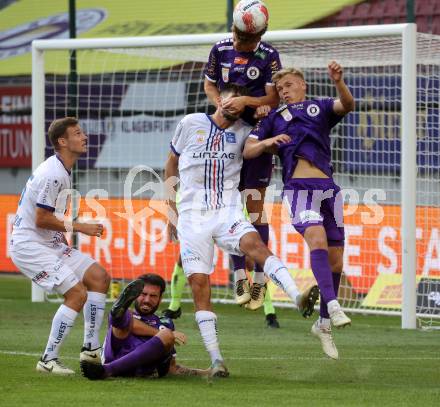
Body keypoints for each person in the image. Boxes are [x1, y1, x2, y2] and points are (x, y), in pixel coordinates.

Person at [165, 84, 319, 376]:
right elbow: (170, 163)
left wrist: (263, 113)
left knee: (257, 247)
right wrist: (170, 211)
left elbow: (272, 128)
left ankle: (297, 296)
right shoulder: (190, 123)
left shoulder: (246, 131)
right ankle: (216, 359)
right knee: (199, 284)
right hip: (191, 216)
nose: (232, 103)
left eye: (239, 99)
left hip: (228, 210)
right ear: (218, 99)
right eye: (229, 97)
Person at [166, 8, 282, 324]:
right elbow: (209, 85)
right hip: (223, 135)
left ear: (260, 35)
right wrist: (221, 103)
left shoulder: (269, 56)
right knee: (225, 206)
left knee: (255, 205)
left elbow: (273, 98)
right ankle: (239, 274)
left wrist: (248, 103)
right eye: (238, 35)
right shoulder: (219, 49)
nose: (240, 41)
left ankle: (260, 277)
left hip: (255, 135)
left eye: (247, 38)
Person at [243, 61, 355, 359]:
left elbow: (347, 104)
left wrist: (338, 81)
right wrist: (268, 141)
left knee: (336, 263)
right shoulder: (273, 118)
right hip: (298, 189)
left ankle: (323, 324)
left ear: (302, 84)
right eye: (279, 89)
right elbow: (248, 149)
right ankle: (332, 305)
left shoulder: (319, 108)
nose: (284, 91)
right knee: (315, 238)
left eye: (289, 86)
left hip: (330, 190)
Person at [9, 117, 110, 374]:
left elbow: (46, 217)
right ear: (63, 142)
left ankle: (90, 348)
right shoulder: (53, 174)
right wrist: (80, 227)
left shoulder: (62, 169)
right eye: (78, 133)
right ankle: (48, 359)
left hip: (48, 242)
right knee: (76, 294)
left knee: (98, 277)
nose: (84, 137)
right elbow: (41, 219)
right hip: (29, 245)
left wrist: (63, 238)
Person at [80, 274, 209, 380]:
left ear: (160, 298)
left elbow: (172, 368)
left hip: (146, 369)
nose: (147, 300)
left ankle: (106, 370)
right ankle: (117, 311)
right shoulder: (130, 315)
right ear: (135, 295)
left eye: (153, 296)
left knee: (166, 333)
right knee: (122, 318)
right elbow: (130, 324)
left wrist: (205, 372)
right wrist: (160, 332)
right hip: (115, 356)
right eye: (143, 294)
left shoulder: (166, 322)